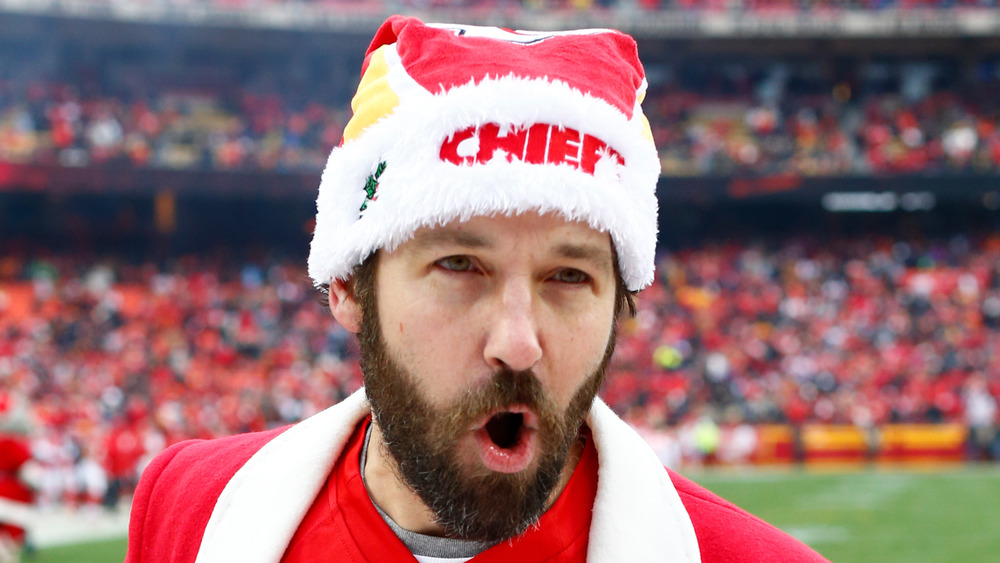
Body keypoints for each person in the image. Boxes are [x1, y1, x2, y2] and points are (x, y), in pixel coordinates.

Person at [126, 15, 828, 562]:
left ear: (624, 304)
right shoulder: (190, 506)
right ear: (345, 280)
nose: (518, 343)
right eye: (460, 264)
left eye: (569, 275)